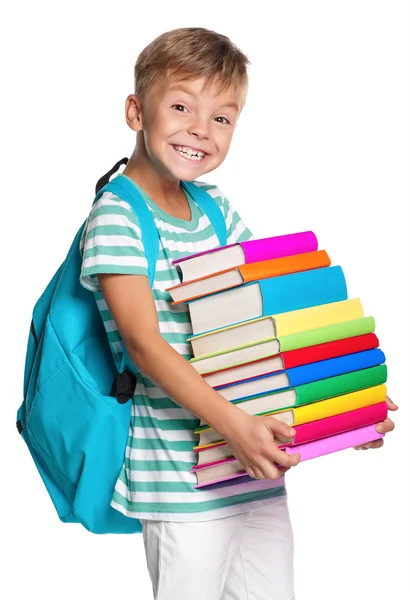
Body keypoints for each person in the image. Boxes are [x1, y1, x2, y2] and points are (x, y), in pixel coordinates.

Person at [79, 27, 397, 600]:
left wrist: (342, 411)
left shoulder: (214, 207)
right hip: (182, 477)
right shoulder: (118, 217)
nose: (201, 129)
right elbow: (146, 347)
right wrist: (236, 428)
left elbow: (259, 316)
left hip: (250, 471)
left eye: (222, 117)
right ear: (135, 111)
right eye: (181, 106)